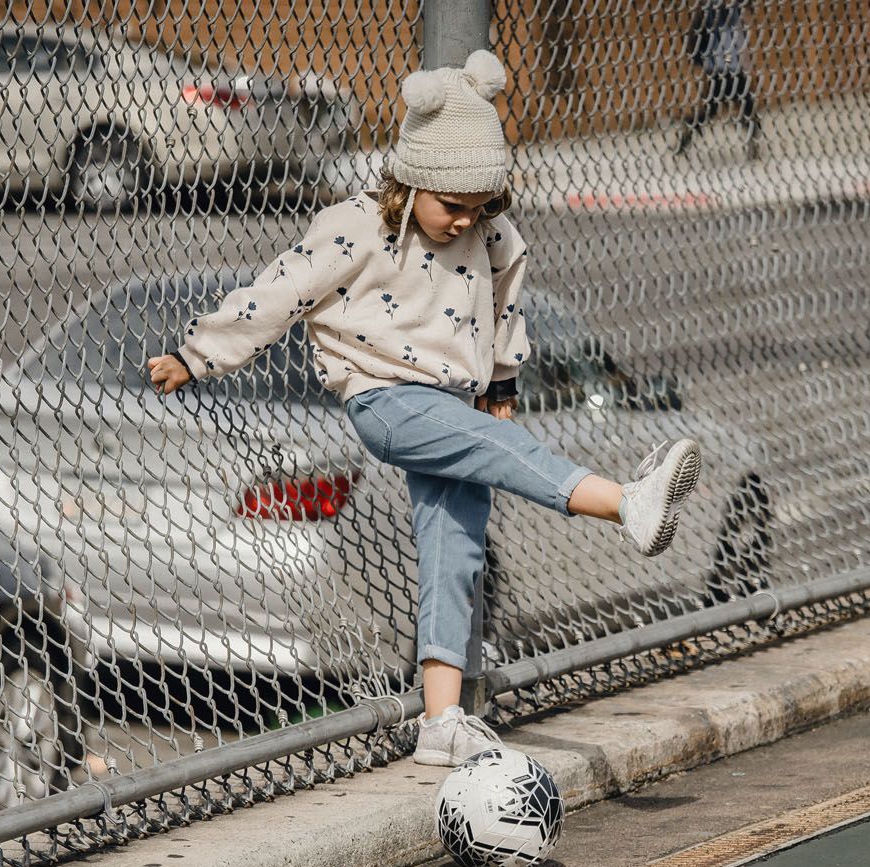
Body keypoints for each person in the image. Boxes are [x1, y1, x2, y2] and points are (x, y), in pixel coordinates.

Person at [146, 51, 703, 767]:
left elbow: (506, 311)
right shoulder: (357, 227)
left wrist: (501, 388)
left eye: (477, 206)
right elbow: (280, 291)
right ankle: (627, 502)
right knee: (516, 461)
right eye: (450, 205)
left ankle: (441, 722)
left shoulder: (492, 234)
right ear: (411, 181)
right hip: (384, 400)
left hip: (456, 401)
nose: (462, 220)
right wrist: (199, 355)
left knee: (456, 556)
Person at [677, 0, 762, 159]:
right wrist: (731, 64)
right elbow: (727, 49)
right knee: (726, 107)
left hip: (726, 68)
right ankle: (690, 126)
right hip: (723, 68)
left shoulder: (731, 15)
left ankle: (690, 126)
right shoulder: (718, 14)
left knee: (730, 107)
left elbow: (738, 46)